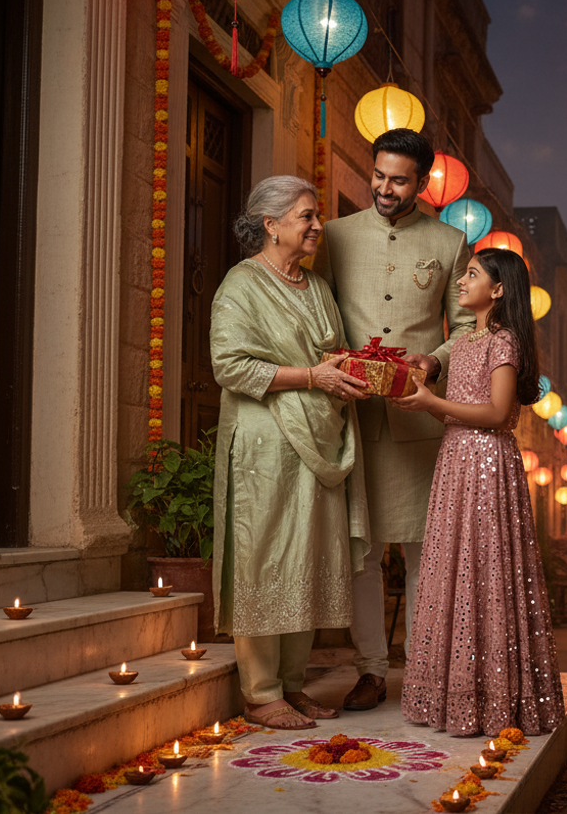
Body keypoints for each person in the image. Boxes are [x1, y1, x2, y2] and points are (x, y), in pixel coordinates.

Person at [315, 129, 476, 711]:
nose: (385, 188)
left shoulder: (450, 242)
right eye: (379, 175)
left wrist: (434, 360)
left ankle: (429, 668)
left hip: (418, 421)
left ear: (422, 183)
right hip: (353, 416)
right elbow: (318, 310)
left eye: (399, 180)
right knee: (360, 550)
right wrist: (331, 360)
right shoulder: (335, 235)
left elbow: (466, 325)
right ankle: (372, 671)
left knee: (422, 552)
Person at [210, 176, 371, 730]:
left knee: (308, 556)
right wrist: (312, 376)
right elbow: (228, 365)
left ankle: (294, 685)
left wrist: (360, 372)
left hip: (319, 439)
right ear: (270, 224)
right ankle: (260, 692)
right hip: (265, 440)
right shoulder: (241, 285)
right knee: (264, 556)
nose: (317, 226)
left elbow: (332, 354)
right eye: (305, 216)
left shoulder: (316, 287)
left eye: (316, 215)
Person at [394, 248, 564, 737]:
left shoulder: (504, 341)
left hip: (490, 465)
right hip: (455, 460)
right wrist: (422, 402)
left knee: (487, 567)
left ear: (498, 289)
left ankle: (494, 696)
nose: (461, 281)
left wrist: (432, 401)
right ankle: (449, 694)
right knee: (450, 564)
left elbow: (495, 413)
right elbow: (451, 410)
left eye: (472, 275)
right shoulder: (463, 340)